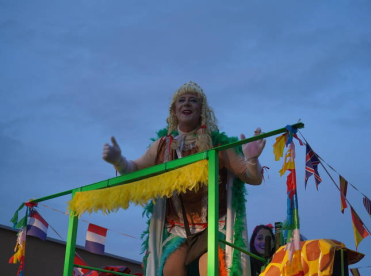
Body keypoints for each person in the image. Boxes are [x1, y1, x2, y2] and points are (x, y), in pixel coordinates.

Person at [102, 81, 266, 276]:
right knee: (170, 269)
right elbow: (134, 170)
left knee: (210, 268)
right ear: (174, 109)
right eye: (182, 100)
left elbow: (252, 178)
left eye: (193, 101)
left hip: (214, 225)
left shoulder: (218, 144)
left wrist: (252, 160)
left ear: (201, 109)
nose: (186, 104)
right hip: (177, 229)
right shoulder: (162, 146)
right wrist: (118, 161)